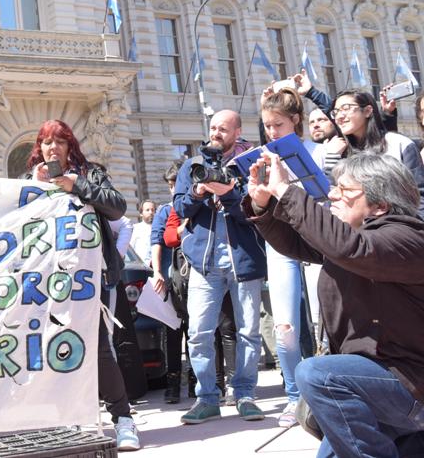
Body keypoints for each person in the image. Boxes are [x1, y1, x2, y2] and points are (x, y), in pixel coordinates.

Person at [243, 152, 424, 457]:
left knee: (318, 374)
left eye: (345, 189)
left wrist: (286, 190)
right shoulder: (355, 239)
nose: (332, 195)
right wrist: (263, 204)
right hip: (377, 386)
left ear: (380, 205)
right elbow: (298, 242)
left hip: (411, 386)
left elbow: (350, 248)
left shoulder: (407, 239)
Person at [21, 119, 140, 451]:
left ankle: (123, 419)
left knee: (99, 347)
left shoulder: (91, 174)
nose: (53, 147)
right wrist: (34, 187)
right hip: (47, 280)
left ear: (69, 146)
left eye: (59, 141)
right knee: (53, 347)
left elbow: (117, 208)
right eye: (47, 142)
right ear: (40, 148)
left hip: (90, 277)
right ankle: (67, 419)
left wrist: (78, 186)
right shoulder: (29, 180)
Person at [174, 110, 267, 424]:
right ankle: (207, 398)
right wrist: (198, 191)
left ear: (237, 132)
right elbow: (179, 208)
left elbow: (255, 213)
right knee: (199, 333)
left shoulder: (250, 164)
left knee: (249, 332)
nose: (216, 133)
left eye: (223, 129)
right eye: (213, 127)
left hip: (244, 261)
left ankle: (245, 394)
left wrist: (229, 194)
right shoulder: (192, 165)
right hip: (205, 263)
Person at [258, 88, 312, 427]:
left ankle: (330, 392)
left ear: (295, 120)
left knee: (323, 323)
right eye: (267, 126)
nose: (272, 132)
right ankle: (294, 397)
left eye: (278, 124)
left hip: (318, 243)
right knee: (285, 327)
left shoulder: (318, 151)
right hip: (280, 245)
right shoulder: (264, 159)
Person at [318, 90, 424, 216]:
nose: (339, 116)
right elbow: (329, 197)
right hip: (353, 227)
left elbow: (420, 196)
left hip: (397, 225)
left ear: (368, 111)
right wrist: (332, 159)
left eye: (346, 108)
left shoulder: (399, 144)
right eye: (336, 112)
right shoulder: (338, 151)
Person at [150, 160, 189, 404]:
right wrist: (157, 272)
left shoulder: (194, 206)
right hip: (170, 282)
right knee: (172, 334)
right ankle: (173, 384)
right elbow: (156, 242)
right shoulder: (165, 212)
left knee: (196, 332)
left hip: (193, 280)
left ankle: (195, 380)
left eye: (177, 183)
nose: (173, 188)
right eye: (171, 185)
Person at [129, 200, 157, 266]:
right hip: (142, 267)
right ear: (141, 213)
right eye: (147, 210)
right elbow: (131, 249)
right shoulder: (135, 229)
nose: (151, 212)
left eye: (153, 210)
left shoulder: (160, 229)